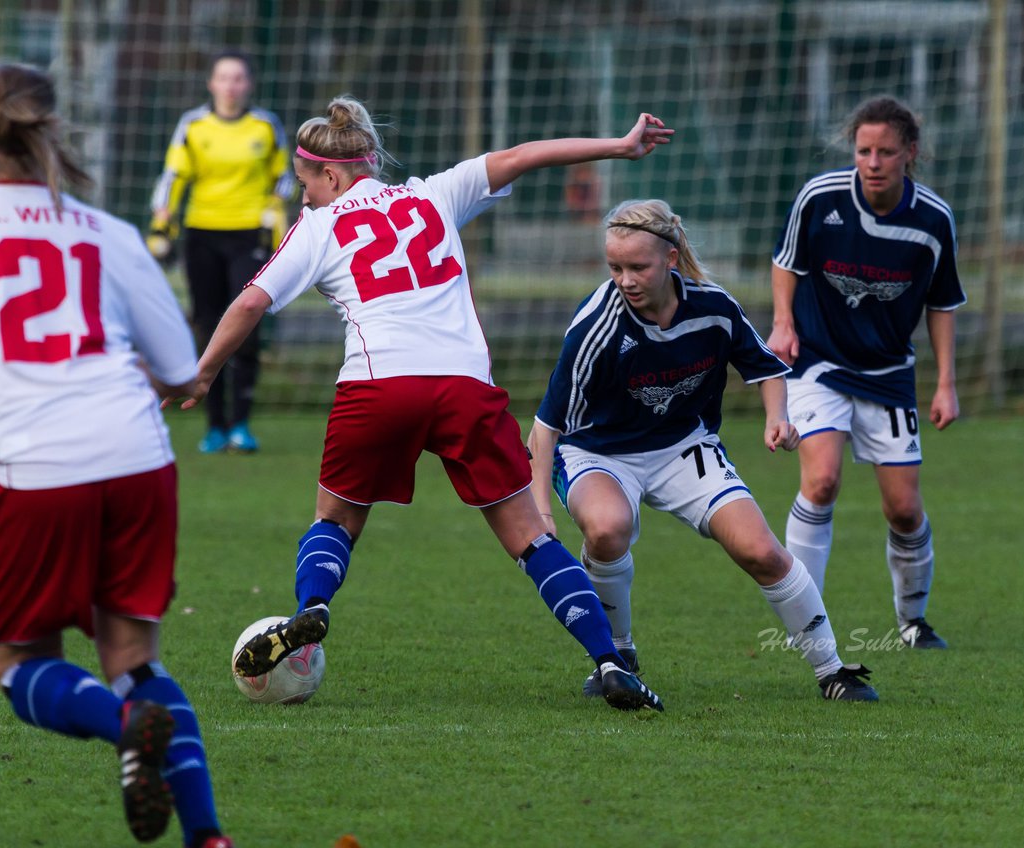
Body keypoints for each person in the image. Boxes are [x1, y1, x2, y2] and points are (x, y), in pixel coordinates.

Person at [171, 95, 676, 712]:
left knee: (334, 522)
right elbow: (522, 156)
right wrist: (619, 147)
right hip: (465, 387)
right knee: (532, 539)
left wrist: (202, 374)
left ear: (331, 175)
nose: (302, 199)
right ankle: (608, 660)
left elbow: (251, 302)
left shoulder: (321, 225)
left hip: (378, 386)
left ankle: (312, 610)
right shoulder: (436, 193)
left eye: (305, 185)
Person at [0, 64, 234, 848]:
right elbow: (182, 370)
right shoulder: (108, 232)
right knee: (136, 658)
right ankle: (208, 839)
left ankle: (122, 729)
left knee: (16, 660)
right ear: (51, 130)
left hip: (35, 470)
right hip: (139, 460)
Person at [527, 199, 879, 703]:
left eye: (638, 267)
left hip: (682, 447)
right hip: (598, 452)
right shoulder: (595, 327)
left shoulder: (713, 307)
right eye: (615, 267)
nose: (625, 279)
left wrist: (777, 418)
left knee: (761, 550)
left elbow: (766, 367)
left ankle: (832, 670)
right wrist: (540, 507)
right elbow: (545, 427)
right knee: (606, 530)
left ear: (671, 259)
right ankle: (619, 655)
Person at [767, 95, 964, 649]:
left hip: (888, 374)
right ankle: (806, 621)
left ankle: (913, 620)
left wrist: (946, 382)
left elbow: (943, 303)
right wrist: (783, 323)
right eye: (863, 151)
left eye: (885, 152)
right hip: (818, 363)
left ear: (910, 154)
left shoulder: (933, 220)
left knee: (904, 509)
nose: (872, 162)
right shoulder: (820, 198)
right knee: (821, 479)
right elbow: (786, 263)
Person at [149, 49, 295, 454]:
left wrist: (275, 219)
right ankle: (214, 425)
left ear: (249, 85)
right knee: (206, 325)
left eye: (238, 78)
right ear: (211, 84)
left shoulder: (265, 126)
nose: (231, 86)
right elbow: (174, 175)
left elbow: (283, 179)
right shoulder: (193, 125)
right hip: (202, 233)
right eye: (223, 78)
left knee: (246, 323)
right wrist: (163, 223)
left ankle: (241, 425)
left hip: (250, 235)